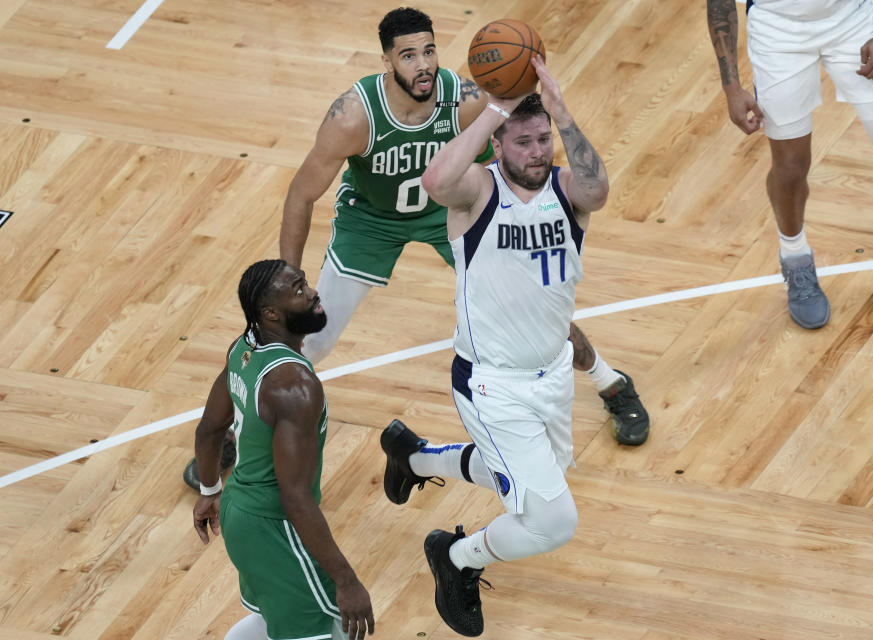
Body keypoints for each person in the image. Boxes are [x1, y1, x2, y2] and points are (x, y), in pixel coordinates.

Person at [180, 7, 650, 493]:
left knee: (531, 300)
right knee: (311, 340)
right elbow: (301, 194)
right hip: (372, 221)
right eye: (408, 55)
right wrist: (288, 280)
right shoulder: (353, 116)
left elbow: (499, 166)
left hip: (447, 210)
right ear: (386, 60)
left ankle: (609, 380)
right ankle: (234, 429)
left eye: (429, 50)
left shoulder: (466, 100)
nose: (423, 64)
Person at [380, 56, 604, 636]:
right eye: (522, 141)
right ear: (498, 145)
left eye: (542, 139)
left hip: (552, 375)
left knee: (523, 472)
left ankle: (413, 455)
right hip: (492, 384)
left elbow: (599, 189)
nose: (537, 151)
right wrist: (495, 110)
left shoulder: (566, 190)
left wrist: (561, 111)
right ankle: (454, 559)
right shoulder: (477, 193)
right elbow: (434, 182)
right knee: (552, 521)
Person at [707, 0, 873, 329]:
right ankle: (795, 258)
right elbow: (719, 3)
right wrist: (731, 87)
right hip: (777, 32)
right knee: (790, 168)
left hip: (851, 19)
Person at [192, 259, 374, 640]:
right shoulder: (295, 386)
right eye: (298, 291)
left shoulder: (244, 348)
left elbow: (210, 430)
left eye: (305, 284)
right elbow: (295, 497)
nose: (312, 294)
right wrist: (346, 579)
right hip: (275, 524)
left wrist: (210, 490)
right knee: (329, 626)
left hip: (239, 510)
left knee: (270, 620)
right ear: (271, 313)